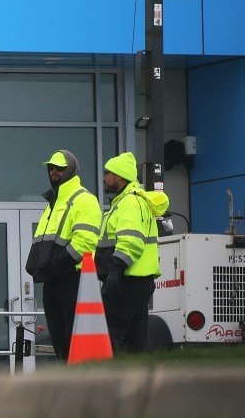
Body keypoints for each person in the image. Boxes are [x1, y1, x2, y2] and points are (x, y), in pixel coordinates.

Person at [25, 149, 101, 363]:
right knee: (60, 340)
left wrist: (56, 264)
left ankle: (80, 385)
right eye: (51, 168)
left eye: (59, 168)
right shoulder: (53, 203)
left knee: (74, 340)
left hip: (73, 279)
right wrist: (39, 267)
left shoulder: (84, 200)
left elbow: (85, 242)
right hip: (53, 281)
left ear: (71, 170)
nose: (54, 172)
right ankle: (70, 383)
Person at [97, 151, 167, 353]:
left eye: (107, 173)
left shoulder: (129, 202)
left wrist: (115, 270)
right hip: (138, 282)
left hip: (126, 280)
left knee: (112, 336)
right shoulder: (131, 201)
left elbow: (131, 241)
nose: (104, 177)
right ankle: (137, 379)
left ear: (120, 176)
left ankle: (114, 380)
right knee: (135, 341)